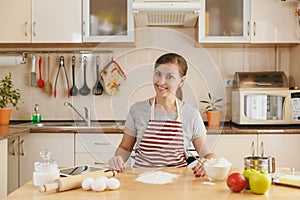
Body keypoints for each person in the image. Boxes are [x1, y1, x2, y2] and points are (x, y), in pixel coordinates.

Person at [108, 53, 216, 177]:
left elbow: (208, 154)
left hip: (177, 182)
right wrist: (117, 159)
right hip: (140, 179)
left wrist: (207, 162)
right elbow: (125, 148)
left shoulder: (191, 115)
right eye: (158, 74)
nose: (161, 81)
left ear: (181, 81)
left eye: (170, 77)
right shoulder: (137, 110)